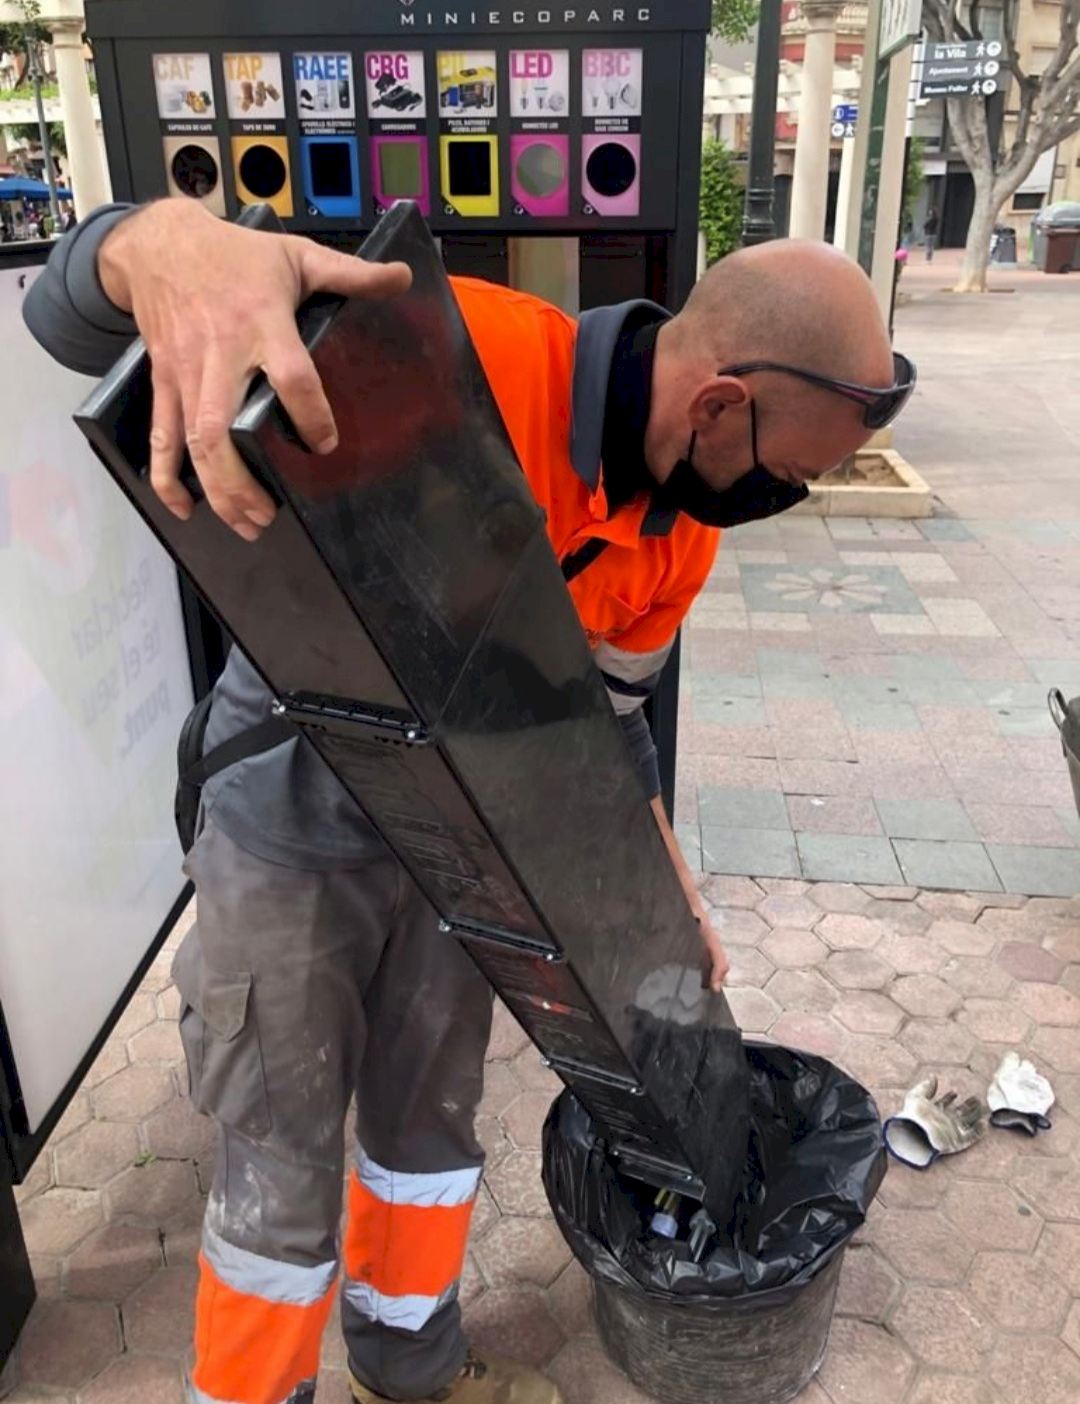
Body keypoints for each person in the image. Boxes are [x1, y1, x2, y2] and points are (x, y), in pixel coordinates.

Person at [24, 198, 911, 1404]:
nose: (782, 497)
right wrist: (158, 246)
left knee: (429, 1127)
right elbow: (67, 317)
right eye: (787, 472)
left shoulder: (678, 543)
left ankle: (411, 1364)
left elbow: (611, 732)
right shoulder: (458, 352)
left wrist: (674, 899)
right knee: (280, 1169)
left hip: (470, 848)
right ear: (715, 405)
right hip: (296, 819)